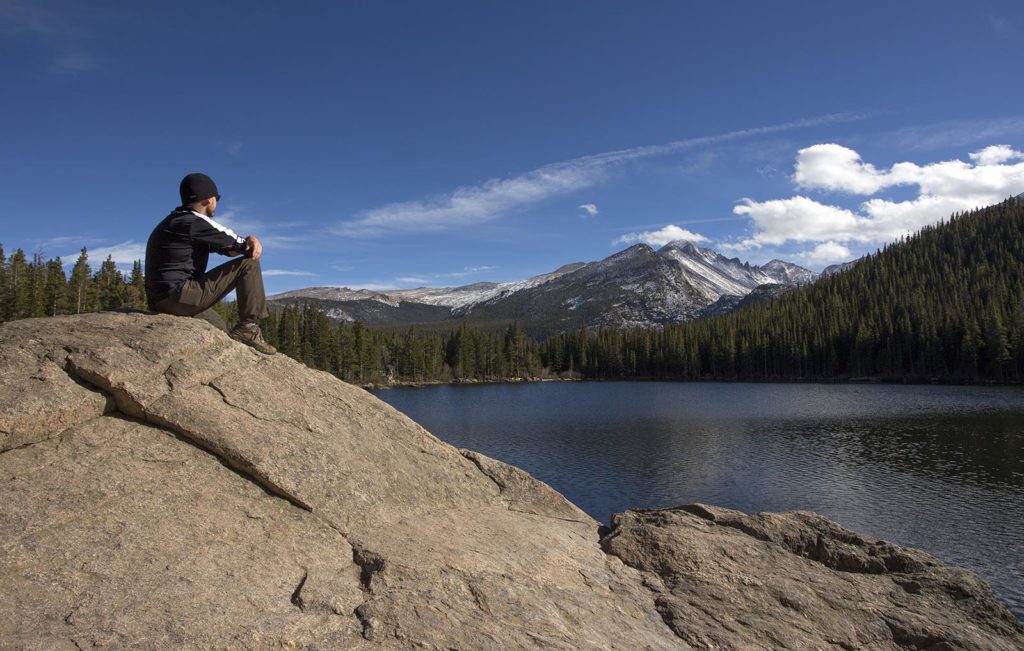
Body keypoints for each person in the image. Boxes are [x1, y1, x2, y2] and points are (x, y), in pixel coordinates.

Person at [145, 172, 276, 354]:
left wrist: (238, 245)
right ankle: (249, 326)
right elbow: (241, 245)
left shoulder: (175, 222)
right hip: (179, 295)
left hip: (161, 300)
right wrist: (250, 239)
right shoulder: (194, 222)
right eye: (217, 199)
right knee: (249, 265)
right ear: (209, 199)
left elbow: (226, 247)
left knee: (221, 329)